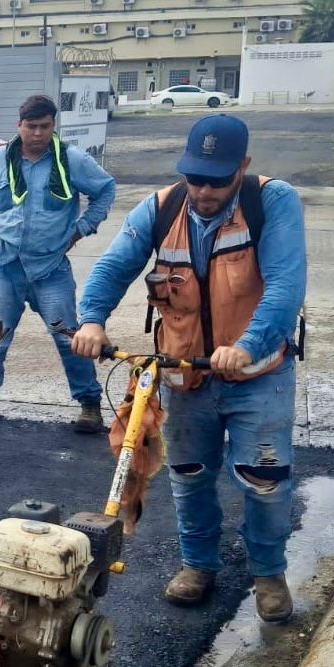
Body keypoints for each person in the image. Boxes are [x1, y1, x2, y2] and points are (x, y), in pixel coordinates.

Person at [71, 115, 306, 623]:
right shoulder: (161, 208)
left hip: (256, 374)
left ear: (242, 167)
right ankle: (198, 565)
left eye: (216, 181)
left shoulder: (273, 202)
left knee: (263, 479)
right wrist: (91, 319)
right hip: (184, 374)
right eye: (194, 177)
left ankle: (268, 573)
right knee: (189, 475)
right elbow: (114, 266)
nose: (202, 190)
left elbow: (286, 286)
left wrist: (246, 345)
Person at [0, 94, 116, 433]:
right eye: (31, 127)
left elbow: (105, 190)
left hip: (51, 270)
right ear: (19, 126)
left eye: (45, 127)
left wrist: (83, 228)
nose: (38, 134)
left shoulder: (70, 161)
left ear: (53, 127)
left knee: (71, 339)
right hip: (6, 268)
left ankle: (90, 406)